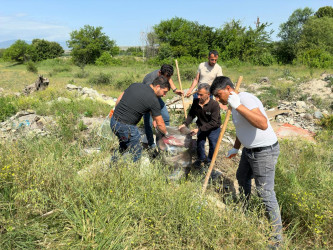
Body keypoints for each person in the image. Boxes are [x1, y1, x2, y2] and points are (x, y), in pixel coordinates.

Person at [210, 76, 283, 245]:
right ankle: (245, 210)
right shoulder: (234, 104)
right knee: (242, 178)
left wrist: (238, 106)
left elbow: (263, 124)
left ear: (228, 89)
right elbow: (241, 128)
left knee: (265, 193)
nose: (217, 99)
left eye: (219, 94)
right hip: (248, 151)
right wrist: (236, 147)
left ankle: (277, 239)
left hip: (264, 152)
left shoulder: (245, 99)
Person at [110, 75, 170, 162]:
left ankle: (113, 165)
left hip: (114, 121)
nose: (164, 95)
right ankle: (132, 171)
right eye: (164, 92)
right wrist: (167, 134)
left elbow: (119, 100)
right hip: (127, 128)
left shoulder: (135, 85)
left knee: (123, 145)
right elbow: (160, 124)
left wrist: (154, 119)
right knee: (136, 153)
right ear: (158, 87)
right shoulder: (154, 100)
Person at [179, 83, 221, 167]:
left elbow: (213, 122)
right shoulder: (196, 102)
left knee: (213, 144)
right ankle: (200, 159)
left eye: (201, 95)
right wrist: (185, 124)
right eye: (197, 94)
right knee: (200, 143)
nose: (198, 96)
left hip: (213, 128)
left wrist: (199, 130)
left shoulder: (214, 105)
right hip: (201, 126)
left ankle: (209, 161)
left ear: (208, 94)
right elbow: (191, 114)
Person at [142, 64, 183, 149]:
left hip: (157, 97)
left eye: (169, 77)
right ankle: (151, 145)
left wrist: (175, 90)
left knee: (165, 117)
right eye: (166, 77)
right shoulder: (149, 80)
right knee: (149, 123)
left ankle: (162, 143)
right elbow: (150, 99)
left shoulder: (165, 74)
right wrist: (154, 118)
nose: (167, 79)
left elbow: (169, 79)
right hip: (146, 99)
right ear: (160, 73)